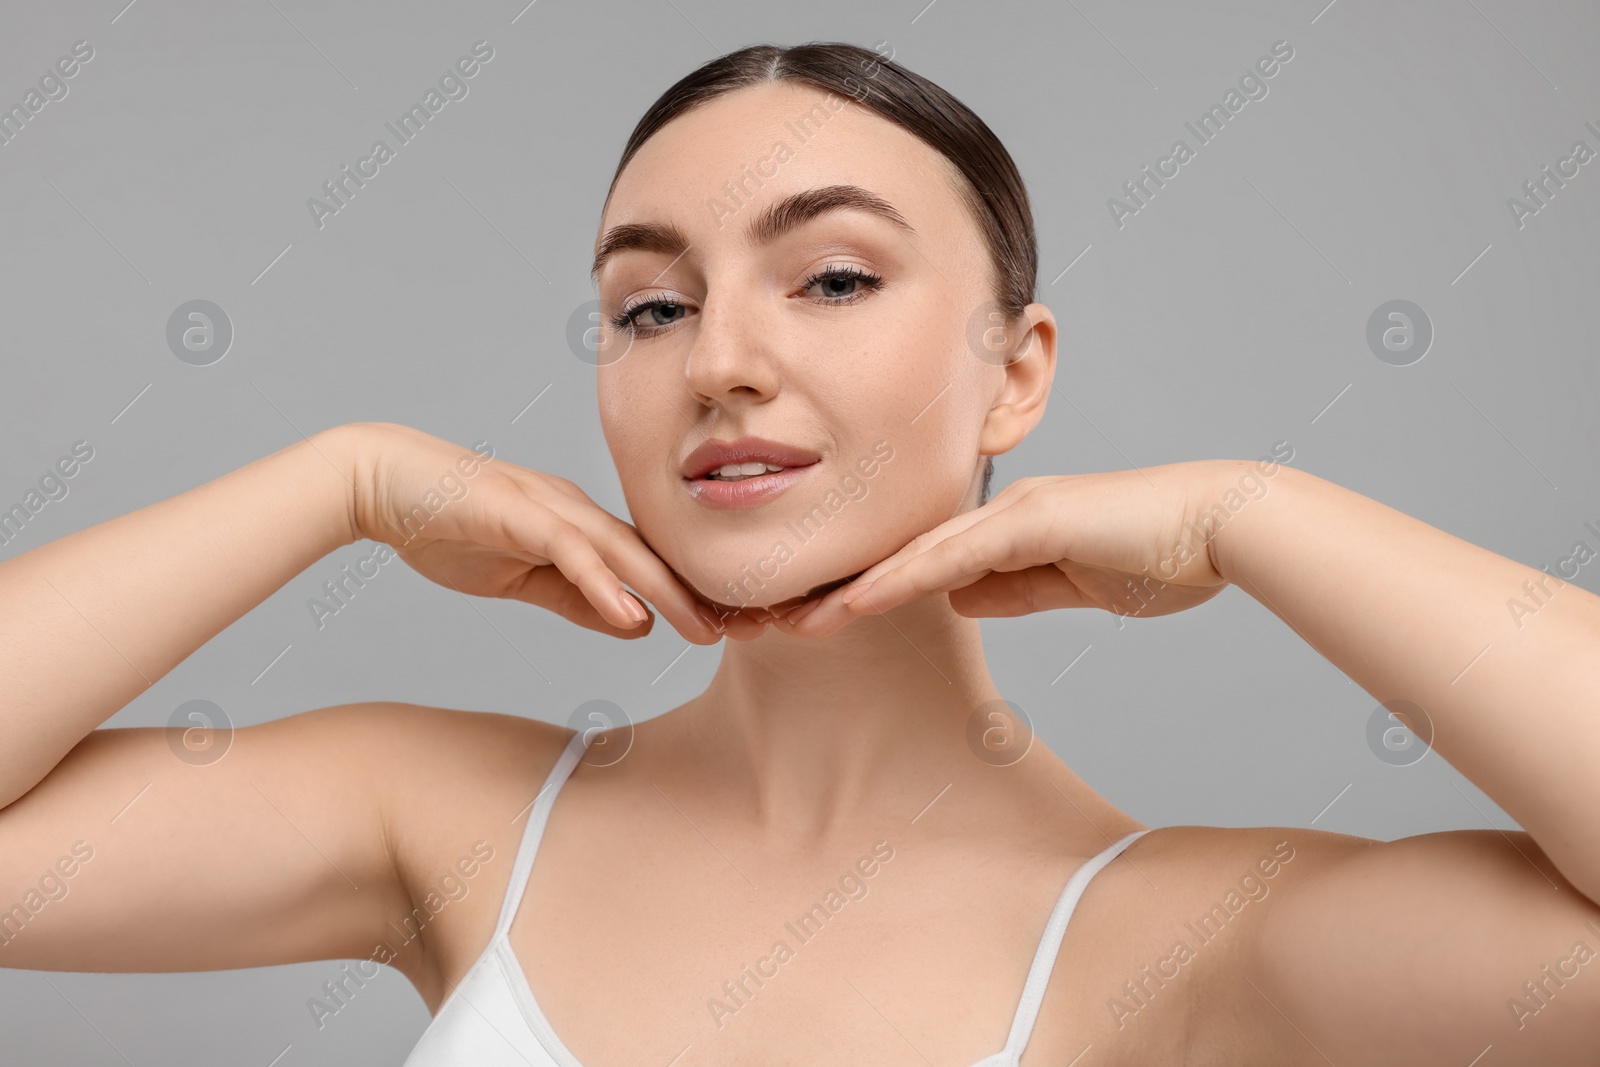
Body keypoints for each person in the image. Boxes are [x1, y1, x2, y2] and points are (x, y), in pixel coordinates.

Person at [3, 40, 1597, 1066]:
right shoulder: (448, 820)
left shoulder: (1176, 935)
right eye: (651, 305)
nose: (719, 362)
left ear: (1017, 366)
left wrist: (1251, 516)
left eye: (832, 279)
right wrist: (332, 484)